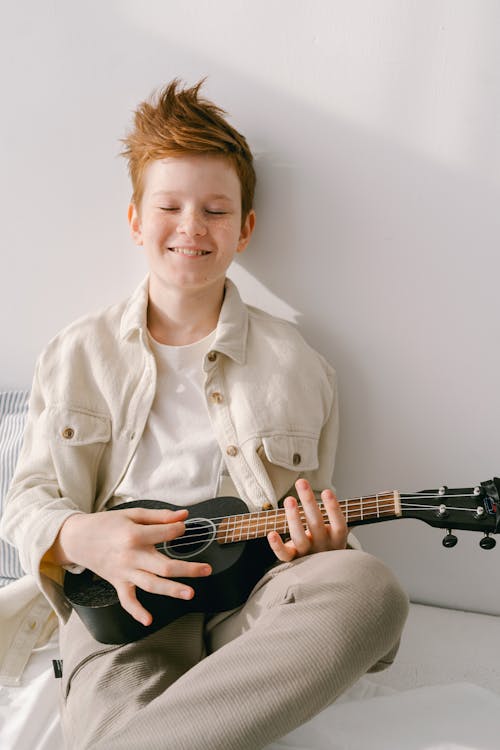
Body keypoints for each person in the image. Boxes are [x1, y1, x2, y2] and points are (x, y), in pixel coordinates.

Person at [1, 78, 409, 750]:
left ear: (245, 228)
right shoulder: (77, 352)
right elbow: (28, 503)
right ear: (135, 220)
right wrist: (84, 537)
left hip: (254, 609)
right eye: (170, 206)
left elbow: (306, 512)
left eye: (216, 211)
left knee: (371, 588)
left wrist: (319, 546)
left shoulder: (301, 364)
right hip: (123, 611)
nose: (192, 227)